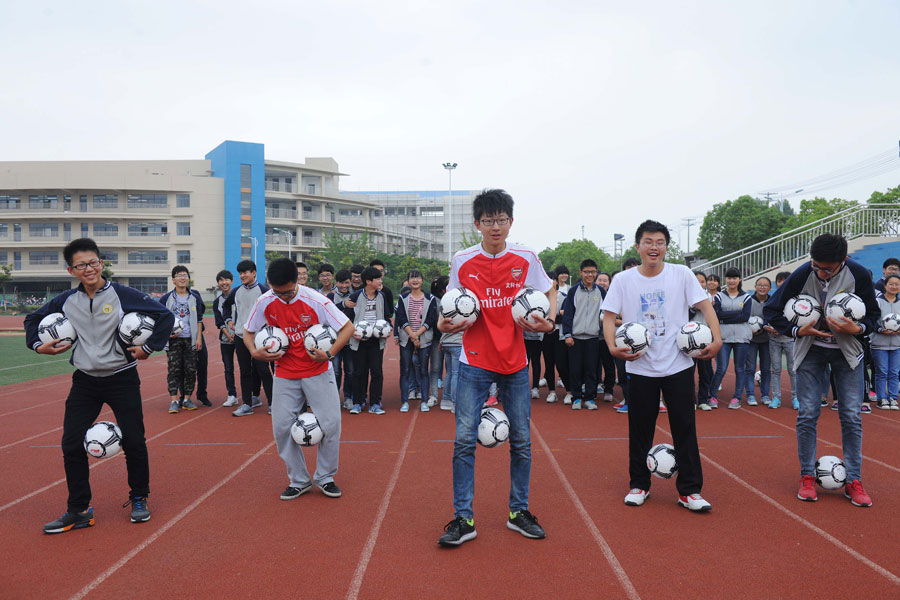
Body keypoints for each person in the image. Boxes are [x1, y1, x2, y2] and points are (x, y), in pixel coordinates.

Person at [26, 238, 174, 532]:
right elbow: (33, 319)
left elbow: (165, 316)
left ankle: (139, 497)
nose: (89, 268)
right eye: (81, 265)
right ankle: (79, 510)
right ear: (72, 269)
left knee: (134, 441)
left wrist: (150, 347)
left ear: (101, 263)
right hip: (85, 381)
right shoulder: (67, 301)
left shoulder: (122, 294)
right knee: (70, 444)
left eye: (93, 262)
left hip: (122, 377)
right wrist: (37, 345)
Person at [436, 188, 556, 547]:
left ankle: (519, 512)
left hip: (516, 362)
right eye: (488, 221)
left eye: (501, 220)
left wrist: (548, 321)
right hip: (473, 362)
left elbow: (548, 291)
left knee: (521, 441)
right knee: (462, 442)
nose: (495, 227)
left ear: (510, 222)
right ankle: (463, 518)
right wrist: (444, 326)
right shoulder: (462, 261)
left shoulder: (526, 257)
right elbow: (452, 306)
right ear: (477, 224)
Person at [603, 221, 721, 513]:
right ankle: (639, 485)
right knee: (639, 429)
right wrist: (611, 345)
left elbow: (706, 307)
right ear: (637, 246)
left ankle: (690, 491)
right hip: (640, 366)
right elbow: (607, 317)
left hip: (678, 365)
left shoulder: (681, 274)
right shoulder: (623, 280)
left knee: (685, 428)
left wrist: (717, 339)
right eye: (648, 241)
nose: (653, 247)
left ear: (666, 247)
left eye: (659, 242)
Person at [764, 233, 878, 507]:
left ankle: (853, 479)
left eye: (827, 268)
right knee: (807, 414)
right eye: (816, 265)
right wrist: (796, 330)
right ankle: (806, 476)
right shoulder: (804, 272)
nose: (820, 271)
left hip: (848, 354)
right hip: (811, 352)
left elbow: (873, 316)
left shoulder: (860, 274)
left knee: (851, 415)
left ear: (844, 260)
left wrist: (857, 328)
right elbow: (772, 310)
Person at [243, 258, 354, 500]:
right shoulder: (265, 301)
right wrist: (254, 352)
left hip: (318, 371)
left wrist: (330, 353)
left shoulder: (315, 300)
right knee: (281, 428)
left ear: (297, 281)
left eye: (287, 292)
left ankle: (325, 477)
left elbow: (347, 327)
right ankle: (299, 480)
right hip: (285, 374)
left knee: (331, 425)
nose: (282, 297)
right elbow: (248, 332)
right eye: (277, 291)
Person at [339, 266, 393, 414]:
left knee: (376, 372)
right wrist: (352, 333)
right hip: (359, 340)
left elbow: (387, 316)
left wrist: (388, 328)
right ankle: (358, 402)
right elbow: (346, 318)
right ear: (369, 281)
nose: (381, 281)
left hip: (376, 340)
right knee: (359, 372)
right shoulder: (356, 296)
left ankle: (375, 403)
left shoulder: (382, 296)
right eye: (378, 279)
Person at [223, 260, 273, 416]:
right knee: (244, 371)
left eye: (245, 272)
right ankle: (246, 404)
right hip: (240, 336)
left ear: (254, 273)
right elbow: (226, 306)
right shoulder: (236, 291)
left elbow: (273, 311)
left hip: (259, 337)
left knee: (264, 370)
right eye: (240, 273)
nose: (242, 275)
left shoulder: (264, 291)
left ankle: (272, 404)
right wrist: (228, 320)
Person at [160, 265, 206, 413]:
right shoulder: (166, 299)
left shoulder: (195, 298)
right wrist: (166, 334)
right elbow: (159, 319)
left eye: (185, 275)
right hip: (173, 340)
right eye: (179, 275)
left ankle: (187, 399)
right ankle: (174, 400)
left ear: (189, 279)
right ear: (173, 279)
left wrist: (198, 338)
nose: (182, 278)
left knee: (191, 370)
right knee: (174, 370)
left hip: (190, 340)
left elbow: (199, 319)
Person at [561, 259, 604, 410]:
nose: (590, 275)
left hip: (593, 337)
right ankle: (577, 397)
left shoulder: (601, 291)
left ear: (596, 272)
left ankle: (590, 398)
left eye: (593, 272)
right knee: (575, 369)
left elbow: (606, 312)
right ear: (581, 273)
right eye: (586, 272)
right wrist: (567, 334)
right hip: (576, 337)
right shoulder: (573, 291)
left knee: (591, 369)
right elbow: (568, 314)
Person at [395, 269, 438, 412]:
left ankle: (424, 400)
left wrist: (418, 334)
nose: (415, 280)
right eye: (412, 277)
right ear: (408, 280)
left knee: (424, 371)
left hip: (424, 338)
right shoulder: (403, 298)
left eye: (417, 277)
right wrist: (412, 336)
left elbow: (431, 319)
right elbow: (401, 317)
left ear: (422, 280)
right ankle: (404, 401)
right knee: (405, 370)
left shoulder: (430, 298)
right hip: (406, 339)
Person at [709, 267, 751, 410]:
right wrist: (736, 313)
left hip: (741, 337)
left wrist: (726, 315)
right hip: (724, 337)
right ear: (725, 280)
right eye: (729, 278)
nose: (731, 281)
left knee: (740, 369)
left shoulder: (746, 297)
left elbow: (745, 317)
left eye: (734, 278)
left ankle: (737, 397)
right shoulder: (719, 296)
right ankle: (712, 396)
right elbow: (717, 315)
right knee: (721, 368)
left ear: (739, 279)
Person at [766, 271, 797, 409]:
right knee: (776, 369)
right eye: (779, 280)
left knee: (793, 370)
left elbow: (798, 319)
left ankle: (796, 398)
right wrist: (767, 327)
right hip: (773, 339)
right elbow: (767, 315)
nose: (782, 283)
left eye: (786, 280)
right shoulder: (773, 298)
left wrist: (783, 329)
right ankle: (776, 398)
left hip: (790, 339)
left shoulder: (796, 300)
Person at [870, 273, 900, 410]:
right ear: (885, 286)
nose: (894, 286)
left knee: (894, 372)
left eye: (897, 284)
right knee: (881, 372)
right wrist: (881, 330)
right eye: (891, 284)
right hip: (879, 343)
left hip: (897, 344)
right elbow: (872, 321)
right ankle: (882, 398)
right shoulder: (877, 302)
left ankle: (893, 398)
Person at [327, 269, 355, 410]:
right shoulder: (330, 297)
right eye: (341, 283)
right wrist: (344, 305)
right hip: (335, 341)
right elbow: (329, 312)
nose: (344, 285)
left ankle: (349, 397)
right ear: (336, 283)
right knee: (336, 370)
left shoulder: (355, 296)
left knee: (350, 370)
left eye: (346, 283)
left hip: (350, 341)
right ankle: (335, 397)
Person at [213, 270, 239, 407]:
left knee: (248, 367)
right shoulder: (217, 301)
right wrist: (228, 335)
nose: (224, 283)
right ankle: (232, 395)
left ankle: (252, 394)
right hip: (226, 339)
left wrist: (238, 332)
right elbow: (219, 321)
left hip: (241, 338)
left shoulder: (239, 296)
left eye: (226, 280)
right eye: (221, 280)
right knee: (228, 368)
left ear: (232, 281)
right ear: (218, 283)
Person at [745, 277, 772, 406]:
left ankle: (765, 395)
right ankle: (750, 395)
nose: (762, 287)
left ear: (769, 288)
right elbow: (744, 318)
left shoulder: (772, 301)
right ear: (755, 287)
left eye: (765, 285)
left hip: (767, 339)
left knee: (766, 369)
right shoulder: (748, 301)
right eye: (760, 285)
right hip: (751, 339)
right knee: (750, 368)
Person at [692, 272, 715, 411]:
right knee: (688, 372)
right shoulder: (685, 295)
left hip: (705, 339)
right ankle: (690, 400)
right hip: (688, 340)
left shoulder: (709, 297)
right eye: (697, 281)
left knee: (705, 371)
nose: (700, 284)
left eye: (702, 281)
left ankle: (703, 399)